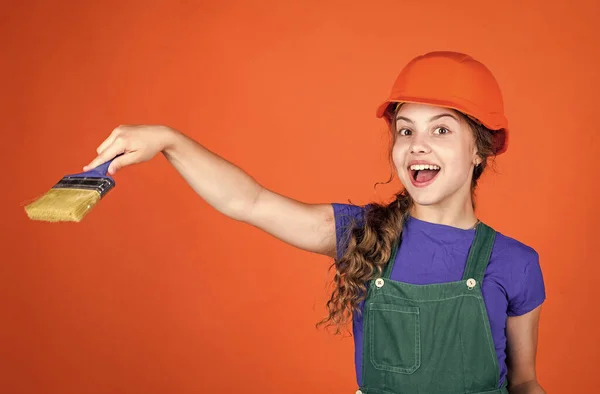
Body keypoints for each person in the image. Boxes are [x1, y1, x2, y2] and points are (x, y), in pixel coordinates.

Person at [84, 51, 546, 393]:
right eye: (406, 130)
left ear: (480, 149)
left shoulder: (515, 264)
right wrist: (170, 140)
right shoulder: (363, 236)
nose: (418, 145)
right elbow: (249, 201)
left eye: (441, 130)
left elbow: (524, 384)